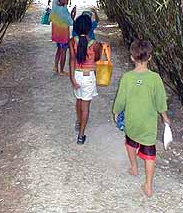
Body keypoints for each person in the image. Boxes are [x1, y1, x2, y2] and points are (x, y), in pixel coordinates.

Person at [112, 40, 171, 197]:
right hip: (148, 125)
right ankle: (149, 186)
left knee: (130, 143)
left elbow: (120, 100)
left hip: (132, 122)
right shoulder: (155, 78)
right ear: (150, 57)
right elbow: (160, 101)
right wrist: (165, 118)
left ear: (132, 57)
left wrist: (116, 112)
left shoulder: (127, 78)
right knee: (150, 153)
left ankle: (134, 168)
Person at [69, 15, 102, 145]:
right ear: (90, 28)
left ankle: (78, 121)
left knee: (78, 100)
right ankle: (81, 135)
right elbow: (97, 59)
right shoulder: (96, 44)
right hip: (88, 77)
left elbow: (72, 60)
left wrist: (72, 78)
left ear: (77, 27)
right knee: (86, 106)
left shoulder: (72, 41)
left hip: (76, 75)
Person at [51, 0, 76, 75]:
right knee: (63, 52)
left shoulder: (55, 7)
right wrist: (73, 14)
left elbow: (51, 18)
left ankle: (55, 67)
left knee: (59, 50)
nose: (67, 0)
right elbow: (70, 22)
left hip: (56, 34)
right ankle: (61, 70)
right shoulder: (64, 10)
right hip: (63, 35)